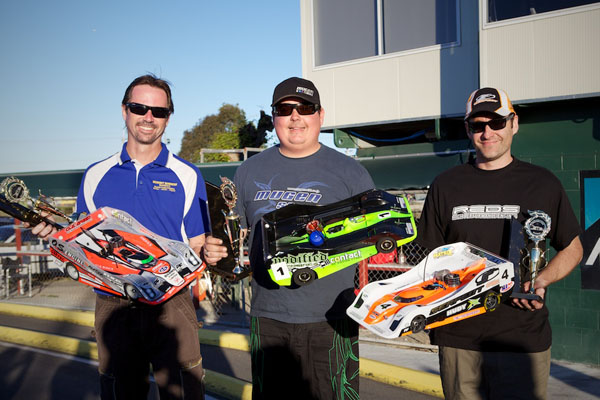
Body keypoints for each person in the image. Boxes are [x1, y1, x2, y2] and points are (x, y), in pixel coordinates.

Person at [32, 74, 209, 399]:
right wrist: (54, 232)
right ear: (125, 110)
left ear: (168, 117)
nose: (148, 117)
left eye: (158, 111)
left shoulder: (188, 175)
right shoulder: (95, 175)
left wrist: (210, 259)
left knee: (186, 393)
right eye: (139, 108)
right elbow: (81, 242)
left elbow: (198, 244)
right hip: (112, 304)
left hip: (172, 302)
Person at [204, 77, 375, 399]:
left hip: (332, 318)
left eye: (305, 108)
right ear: (274, 118)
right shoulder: (249, 171)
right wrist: (214, 250)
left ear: (320, 115)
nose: (295, 117)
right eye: (285, 110)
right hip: (269, 317)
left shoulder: (351, 172)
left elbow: (371, 235)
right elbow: (231, 233)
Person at [416, 87, 583, 399]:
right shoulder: (445, 185)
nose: (487, 132)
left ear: (513, 123)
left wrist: (541, 280)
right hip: (458, 336)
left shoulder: (543, 183)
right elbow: (430, 256)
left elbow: (573, 248)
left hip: (521, 338)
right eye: (478, 125)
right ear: (468, 129)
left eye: (496, 122)